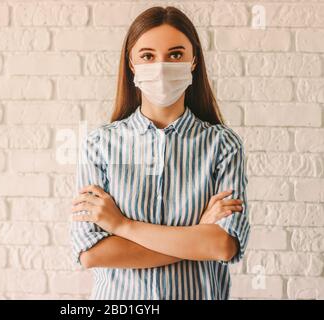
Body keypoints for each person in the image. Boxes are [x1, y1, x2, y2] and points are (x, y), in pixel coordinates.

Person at [70, 6, 250, 300]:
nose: (162, 66)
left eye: (176, 54)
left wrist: (121, 226)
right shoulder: (99, 146)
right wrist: (197, 235)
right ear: (131, 63)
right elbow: (92, 253)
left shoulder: (223, 145)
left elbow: (222, 246)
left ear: (193, 61)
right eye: (148, 56)